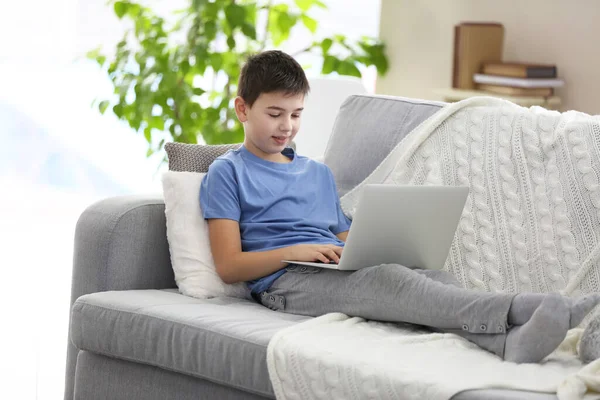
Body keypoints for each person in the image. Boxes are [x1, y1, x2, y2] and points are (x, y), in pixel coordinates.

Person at [200, 50, 599, 364]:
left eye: (296, 114)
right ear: (242, 109)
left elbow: (342, 235)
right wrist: (294, 252)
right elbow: (229, 265)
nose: (286, 125)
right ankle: (538, 308)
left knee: (430, 276)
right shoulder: (228, 172)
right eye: (274, 114)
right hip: (284, 283)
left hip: (329, 265)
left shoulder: (316, 173)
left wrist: (378, 243)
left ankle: (507, 342)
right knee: (390, 281)